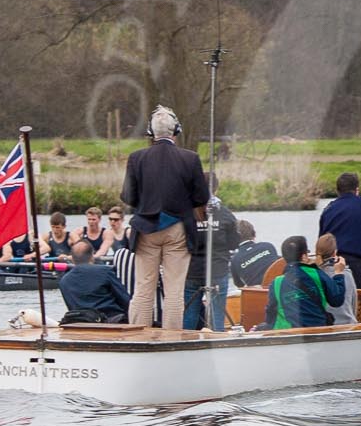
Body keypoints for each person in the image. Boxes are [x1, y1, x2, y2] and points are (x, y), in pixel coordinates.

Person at [120, 105, 209, 328]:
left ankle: (138, 336)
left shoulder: (136, 158)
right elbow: (202, 197)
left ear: (151, 132)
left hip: (145, 229)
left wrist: (146, 202)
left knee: (143, 289)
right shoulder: (191, 158)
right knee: (174, 292)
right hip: (178, 228)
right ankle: (171, 339)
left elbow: (127, 196)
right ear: (176, 131)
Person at [263, 235, 352, 330]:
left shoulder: (276, 283)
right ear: (304, 256)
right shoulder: (316, 274)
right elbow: (337, 300)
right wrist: (338, 273)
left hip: (288, 334)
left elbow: (270, 313)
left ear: (285, 258)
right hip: (317, 331)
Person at [316, 171, 361, 293]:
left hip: (331, 265)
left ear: (337, 190)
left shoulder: (328, 210)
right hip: (357, 265)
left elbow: (322, 242)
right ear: (357, 189)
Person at [183, 190, 239, 331]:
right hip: (217, 270)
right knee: (217, 317)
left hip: (192, 269)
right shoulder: (225, 214)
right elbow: (234, 243)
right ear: (216, 189)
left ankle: (185, 344)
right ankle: (217, 343)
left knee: (189, 315)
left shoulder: (186, 213)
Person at [58, 240, 132, 323]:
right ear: (92, 256)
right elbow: (125, 300)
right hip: (112, 322)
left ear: (72, 258)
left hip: (80, 324)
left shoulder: (64, 281)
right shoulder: (105, 271)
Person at [313, 232, 361, 323]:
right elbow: (354, 304)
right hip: (348, 325)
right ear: (335, 252)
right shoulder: (347, 274)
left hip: (324, 327)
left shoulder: (313, 275)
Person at [230, 219, 280, 289]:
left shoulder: (235, 260)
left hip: (257, 294)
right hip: (278, 288)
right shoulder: (268, 246)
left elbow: (239, 284)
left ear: (234, 239)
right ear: (254, 234)